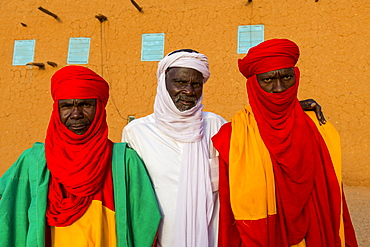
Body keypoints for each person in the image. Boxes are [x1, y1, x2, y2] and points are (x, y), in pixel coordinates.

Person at [121, 49, 325, 247]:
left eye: (196, 84)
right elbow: (132, 195)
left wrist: (289, 106)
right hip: (164, 238)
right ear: (163, 84)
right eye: (180, 82)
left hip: (212, 237)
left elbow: (259, 132)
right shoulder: (137, 133)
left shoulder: (217, 126)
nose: (189, 91)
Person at [212, 39, 358, 247]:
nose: (279, 88)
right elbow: (227, 213)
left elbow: (334, 199)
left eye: (286, 77)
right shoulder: (234, 136)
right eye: (268, 80)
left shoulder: (319, 129)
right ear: (254, 84)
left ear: (296, 77)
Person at [0, 65, 161, 247]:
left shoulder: (125, 162)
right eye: (67, 106)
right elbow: (7, 209)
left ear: (99, 108)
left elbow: (146, 222)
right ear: (56, 111)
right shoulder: (33, 162)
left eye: (85, 105)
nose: (76, 114)